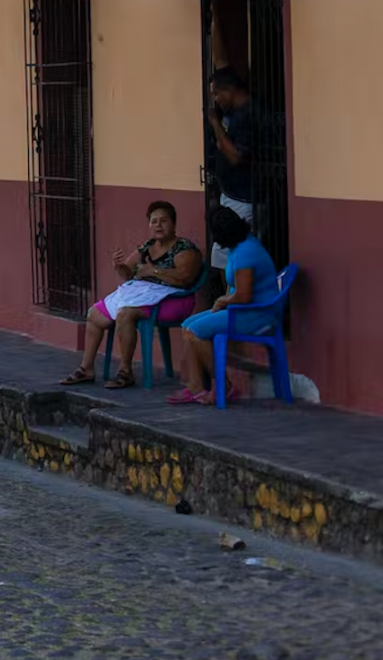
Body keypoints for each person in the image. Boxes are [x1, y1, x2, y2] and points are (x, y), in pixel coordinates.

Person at [62, 200, 202, 389]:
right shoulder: (147, 246)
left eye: (164, 221)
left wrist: (154, 272)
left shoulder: (184, 248)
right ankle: (86, 368)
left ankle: (125, 371)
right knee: (94, 314)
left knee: (125, 314)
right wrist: (119, 267)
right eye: (154, 221)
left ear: (173, 224)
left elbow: (185, 277)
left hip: (174, 300)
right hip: (143, 296)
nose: (158, 225)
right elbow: (128, 273)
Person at [171, 206, 278, 406]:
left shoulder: (247, 252)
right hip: (241, 310)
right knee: (187, 325)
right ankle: (195, 385)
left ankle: (223, 385)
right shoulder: (238, 247)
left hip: (255, 315)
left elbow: (244, 296)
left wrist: (222, 300)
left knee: (195, 331)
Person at [205, 66, 255, 237]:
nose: (216, 99)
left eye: (216, 93)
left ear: (229, 90)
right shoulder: (233, 113)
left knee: (229, 248)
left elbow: (235, 157)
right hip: (231, 193)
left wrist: (214, 123)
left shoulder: (247, 116)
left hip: (243, 197)